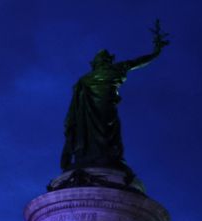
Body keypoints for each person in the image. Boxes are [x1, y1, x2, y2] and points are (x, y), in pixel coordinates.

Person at [60, 21, 169, 176]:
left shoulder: (85, 80)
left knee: (102, 131)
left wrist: (155, 53)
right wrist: (155, 52)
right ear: (103, 61)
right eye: (103, 59)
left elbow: (137, 62)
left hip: (96, 111)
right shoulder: (109, 71)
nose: (104, 61)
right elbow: (137, 62)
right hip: (103, 109)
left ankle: (97, 156)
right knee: (107, 132)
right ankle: (101, 156)